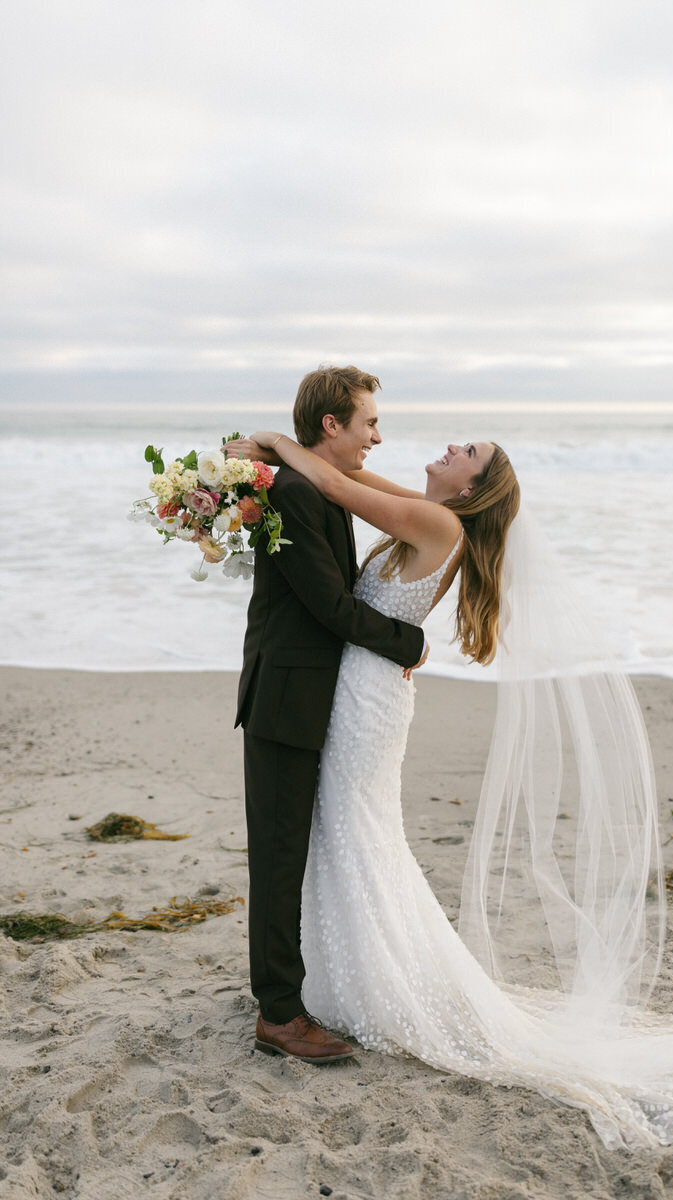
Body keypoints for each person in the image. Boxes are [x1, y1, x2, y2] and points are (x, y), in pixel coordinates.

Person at [230, 418, 673, 1150]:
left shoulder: (437, 521)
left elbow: (339, 484)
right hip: (359, 686)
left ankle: (357, 980)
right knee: (347, 832)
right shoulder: (431, 510)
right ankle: (329, 976)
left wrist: (275, 443)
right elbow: (355, 481)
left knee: (357, 830)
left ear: (471, 487)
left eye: (466, 453)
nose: (449, 448)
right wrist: (279, 463)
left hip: (369, 698)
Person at [229, 366, 427, 1066]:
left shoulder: (314, 488)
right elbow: (329, 608)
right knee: (280, 861)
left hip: (310, 696)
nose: (378, 435)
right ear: (331, 426)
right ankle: (278, 1014)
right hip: (286, 700)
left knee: (292, 856)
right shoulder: (292, 493)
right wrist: (413, 642)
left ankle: (287, 992)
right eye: (368, 422)